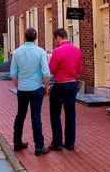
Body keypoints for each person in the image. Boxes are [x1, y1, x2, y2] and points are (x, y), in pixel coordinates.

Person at [10, 27, 51, 156]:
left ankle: (17, 142)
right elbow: (46, 73)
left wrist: (18, 85)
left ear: (24, 37)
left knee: (20, 115)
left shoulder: (17, 52)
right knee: (36, 117)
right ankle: (39, 147)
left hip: (23, 88)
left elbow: (12, 73)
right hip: (36, 88)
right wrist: (47, 87)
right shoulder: (40, 52)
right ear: (36, 38)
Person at [49, 28, 83, 151]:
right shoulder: (77, 51)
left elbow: (51, 70)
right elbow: (79, 70)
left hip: (60, 84)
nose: (55, 42)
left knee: (55, 113)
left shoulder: (57, 51)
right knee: (70, 114)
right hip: (73, 85)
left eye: (55, 39)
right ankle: (70, 142)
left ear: (58, 37)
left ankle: (57, 142)